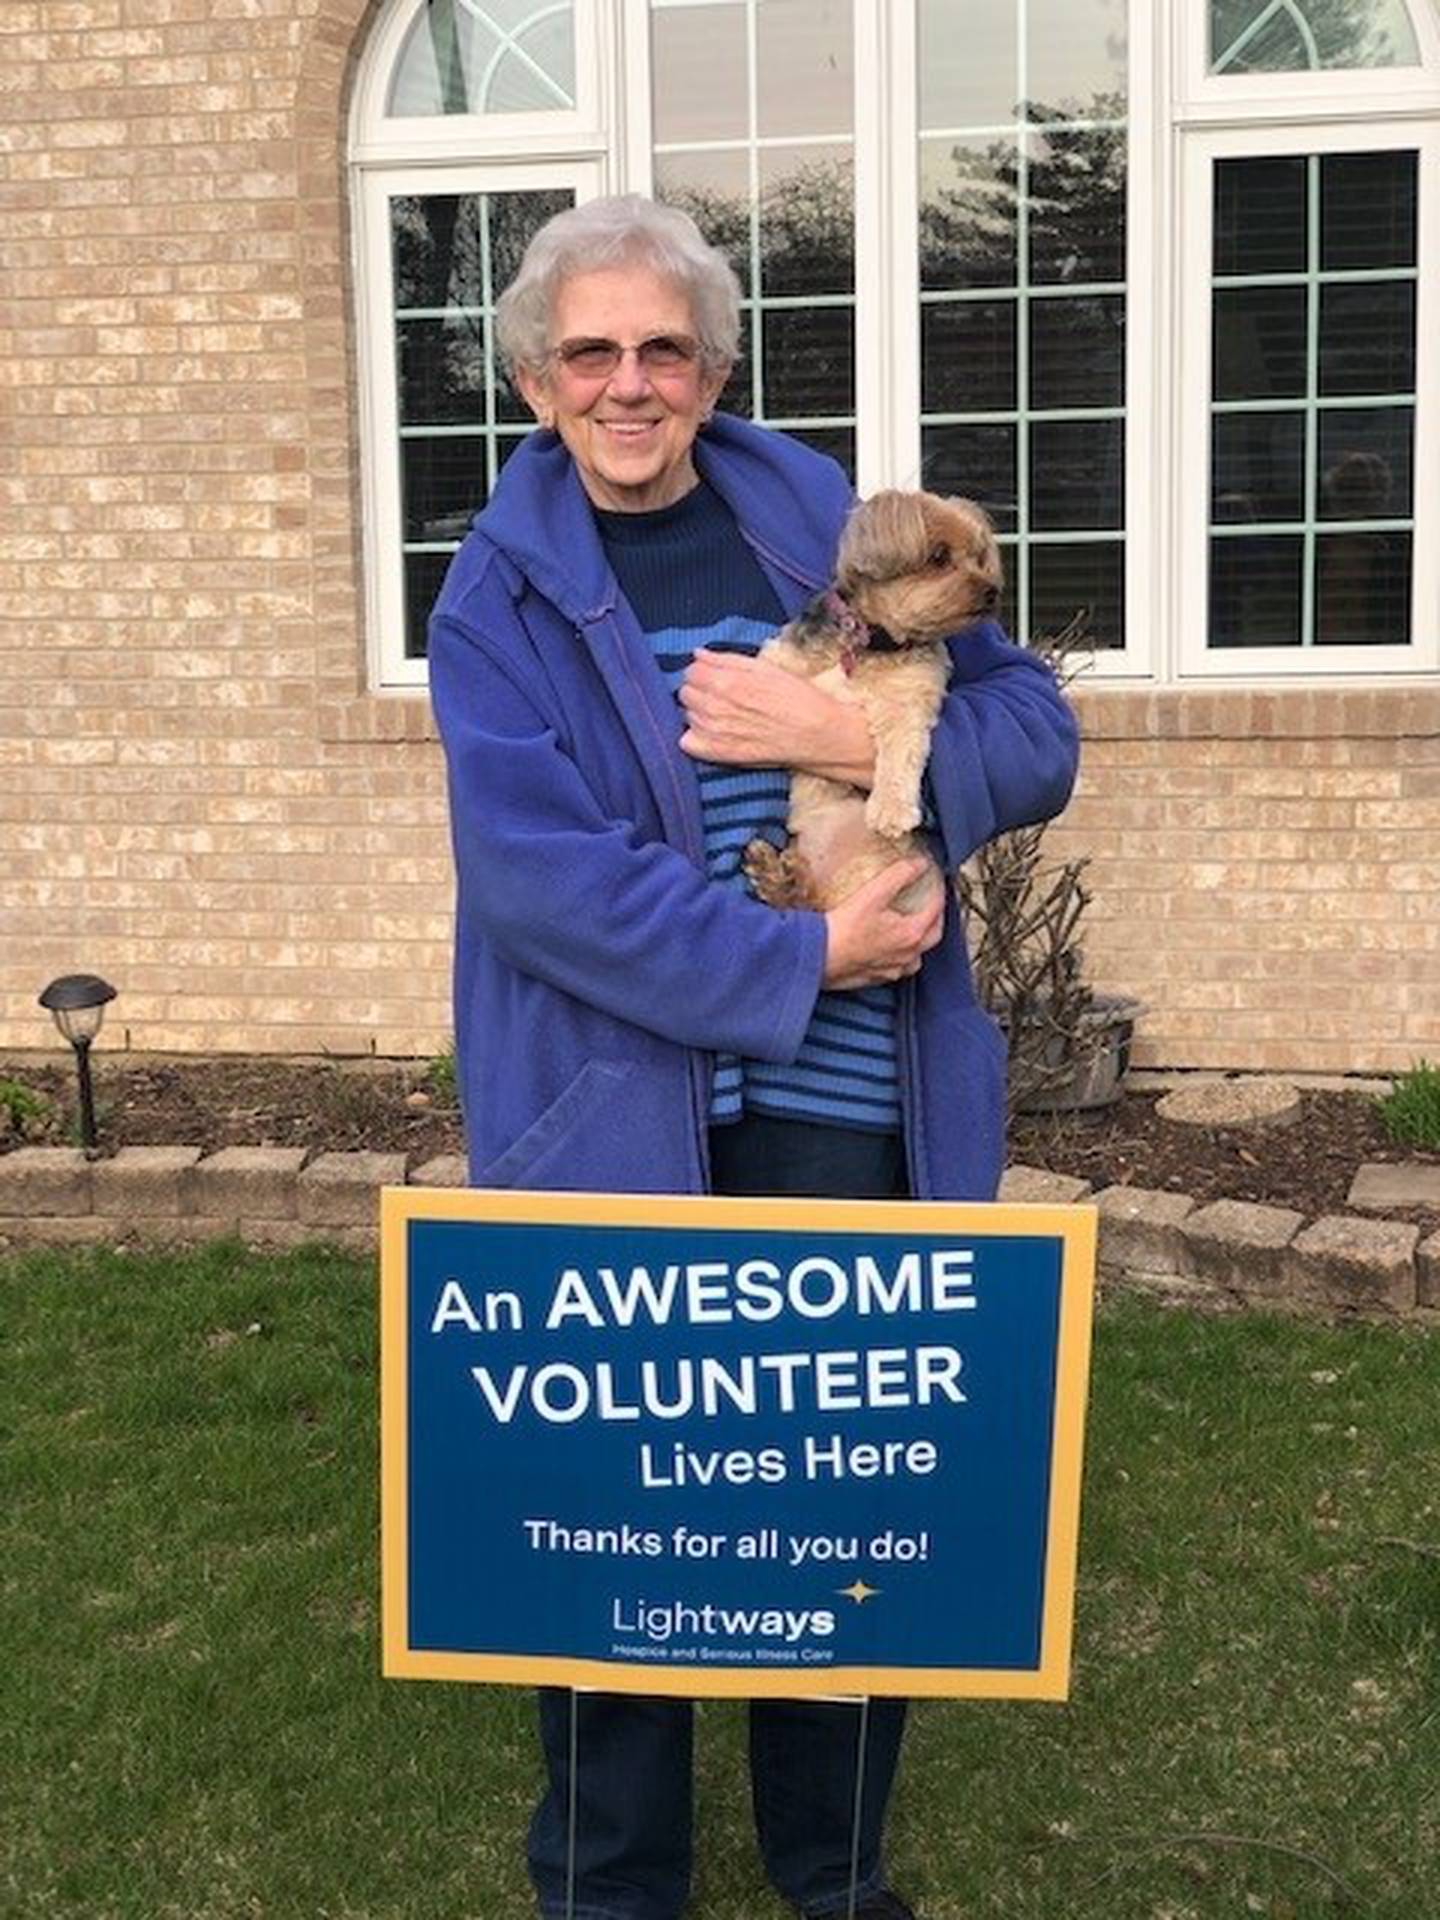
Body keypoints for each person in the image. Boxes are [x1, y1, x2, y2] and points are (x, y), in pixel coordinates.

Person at [428, 193, 1079, 1920]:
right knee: (610, 1541)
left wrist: (852, 735)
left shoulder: (824, 520)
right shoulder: (493, 598)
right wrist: (807, 950)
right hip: (615, 1117)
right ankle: (613, 1886)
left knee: (841, 1543)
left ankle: (834, 1879)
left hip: (851, 1113)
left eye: (662, 349)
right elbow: (541, 885)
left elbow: (1032, 728)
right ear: (535, 377)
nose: (627, 384)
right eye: (590, 352)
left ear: (712, 370)